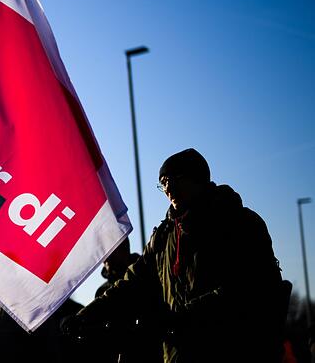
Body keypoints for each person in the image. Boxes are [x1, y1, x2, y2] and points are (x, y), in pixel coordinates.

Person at [64, 148, 285, 362]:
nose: (168, 188)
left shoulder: (238, 222)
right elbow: (132, 284)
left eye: (174, 178)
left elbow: (247, 290)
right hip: (178, 354)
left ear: (198, 178)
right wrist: (87, 315)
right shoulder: (163, 237)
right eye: (163, 183)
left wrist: (178, 320)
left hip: (233, 350)